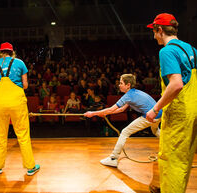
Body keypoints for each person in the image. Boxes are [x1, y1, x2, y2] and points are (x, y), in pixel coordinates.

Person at [146, 13, 197, 193]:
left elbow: (176, 84)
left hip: (178, 114)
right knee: (184, 160)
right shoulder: (191, 49)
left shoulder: (166, 51)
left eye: (154, 31)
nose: (153, 36)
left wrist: (155, 109)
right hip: (192, 112)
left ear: (160, 30)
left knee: (172, 161)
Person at [84, 74, 162, 168]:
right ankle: (170, 148)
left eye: (121, 83)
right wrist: (105, 113)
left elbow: (111, 109)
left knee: (125, 132)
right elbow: (120, 110)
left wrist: (93, 113)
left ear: (128, 85)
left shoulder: (128, 95)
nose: (119, 85)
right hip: (158, 115)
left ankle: (113, 158)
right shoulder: (133, 93)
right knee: (156, 131)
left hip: (151, 116)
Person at [0, 42, 40, 175]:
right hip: (17, 101)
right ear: (12, 52)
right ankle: (30, 167)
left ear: (0, 52)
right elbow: (26, 85)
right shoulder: (20, 63)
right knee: (23, 134)